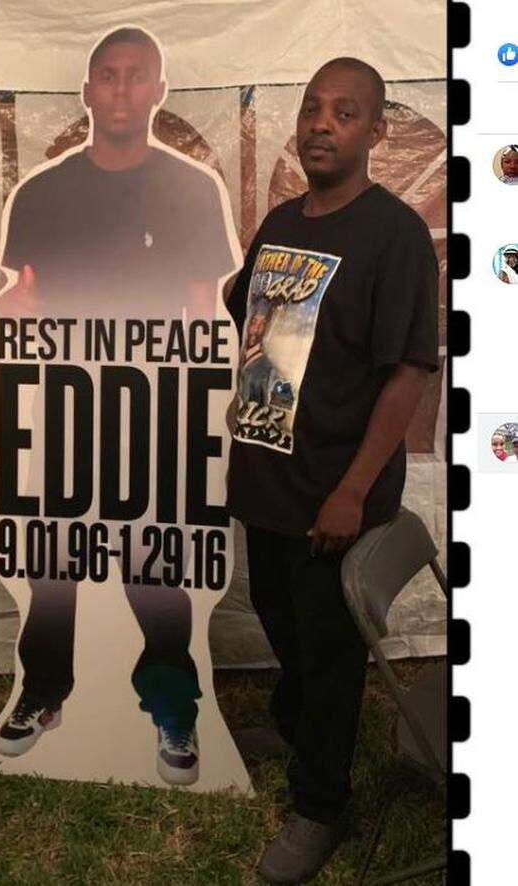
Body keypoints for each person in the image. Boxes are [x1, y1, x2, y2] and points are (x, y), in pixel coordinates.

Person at [0, 26, 238, 785]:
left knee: (154, 565)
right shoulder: (43, 192)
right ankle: (43, 691)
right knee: (53, 562)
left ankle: (171, 703)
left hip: (156, 415)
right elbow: (22, 298)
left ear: (159, 91)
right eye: (108, 75)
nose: (122, 89)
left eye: (136, 76)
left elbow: (206, 313)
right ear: (88, 90)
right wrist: (13, 313)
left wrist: (198, 414)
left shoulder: (193, 190)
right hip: (64, 407)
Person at [224, 58, 438, 883]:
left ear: (375, 131)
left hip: (334, 492)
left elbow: (408, 371)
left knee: (330, 651)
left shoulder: (394, 236)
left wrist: (352, 490)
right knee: (281, 620)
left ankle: (321, 805)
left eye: (345, 113)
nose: (321, 124)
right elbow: (247, 307)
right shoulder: (282, 221)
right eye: (313, 108)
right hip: (268, 477)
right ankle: (295, 726)